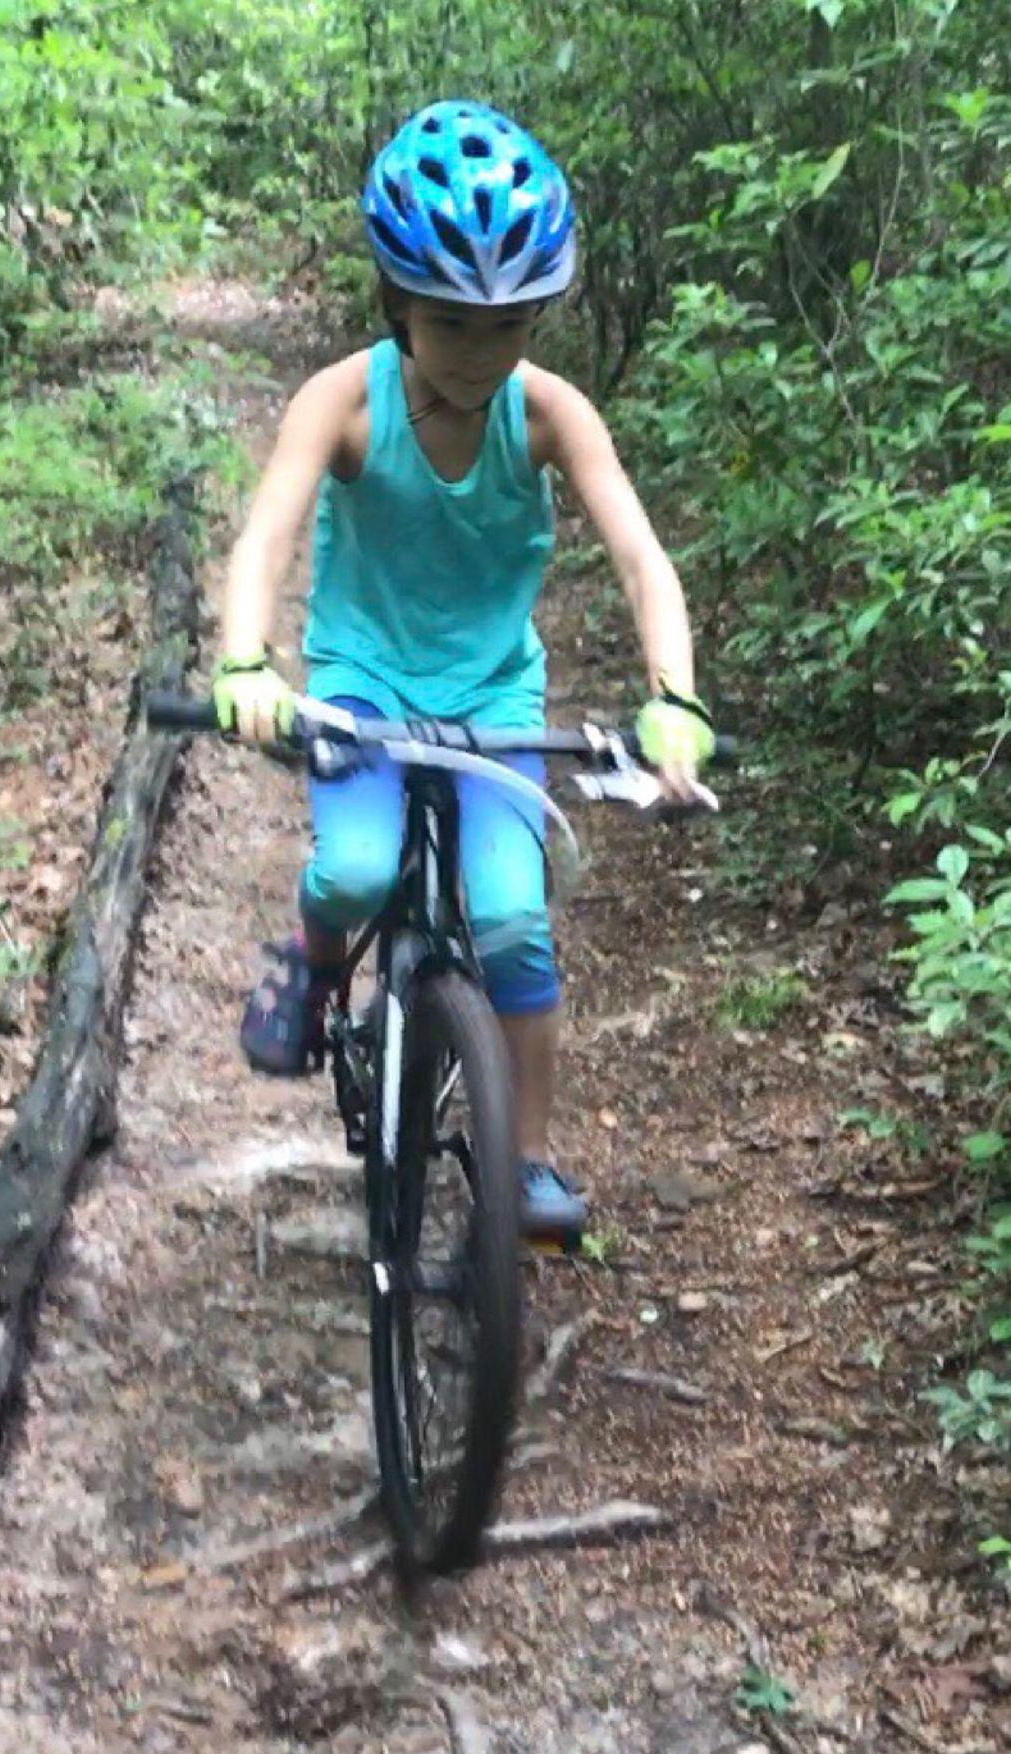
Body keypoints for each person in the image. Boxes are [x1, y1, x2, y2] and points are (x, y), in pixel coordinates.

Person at [210, 100, 713, 1245]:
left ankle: (523, 1158)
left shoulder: (549, 413)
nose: (483, 352)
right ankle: (310, 964)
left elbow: (642, 560)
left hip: (492, 696)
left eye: (509, 323)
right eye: (452, 322)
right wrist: (248, 659)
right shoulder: (342, 400)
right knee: (349, 868)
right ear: (399, 304)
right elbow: (266, 537)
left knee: (513, 922)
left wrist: (672, 694)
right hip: (361, 681)